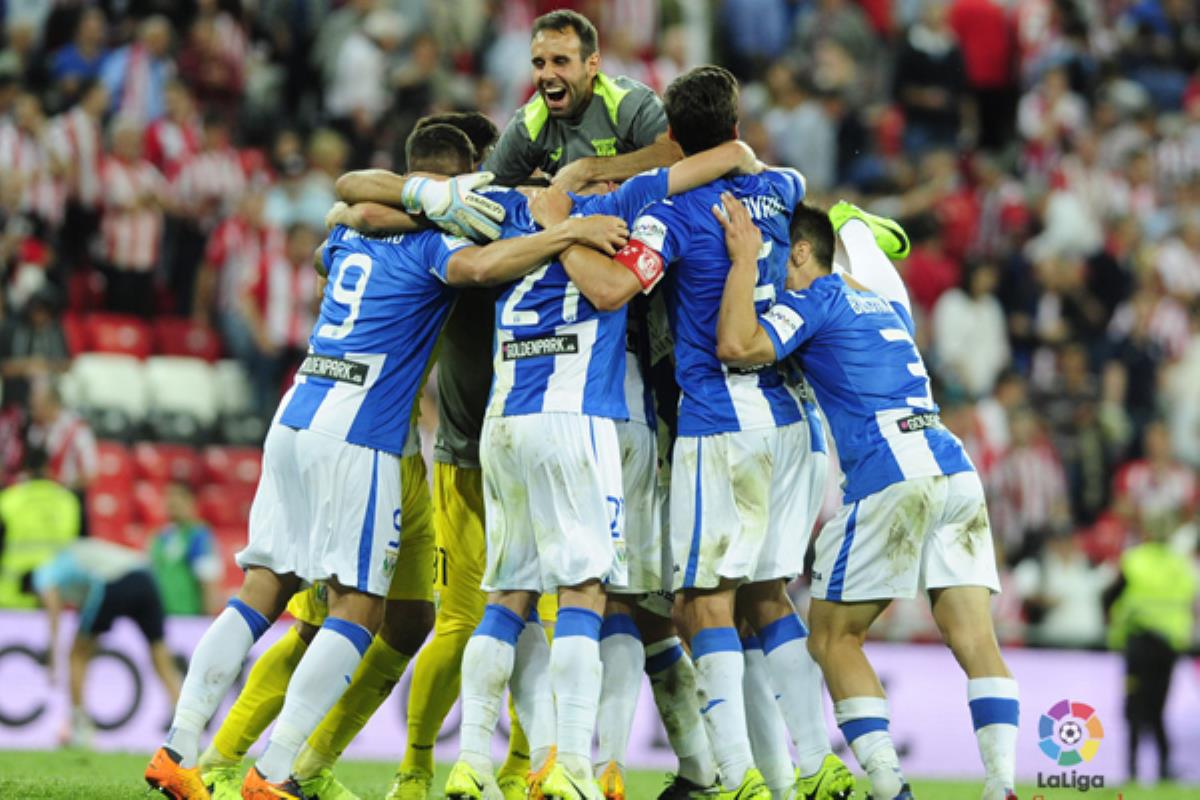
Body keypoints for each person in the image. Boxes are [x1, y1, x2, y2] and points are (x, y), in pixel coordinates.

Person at [144, 124, 626, 800]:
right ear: (462, 178)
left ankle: (179, 745)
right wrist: (562, 234)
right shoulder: (438, 243)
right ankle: (275, 772)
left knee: (264, 586)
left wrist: (385, 204)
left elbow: (348, 213)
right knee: (356, 606)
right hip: (363, 430)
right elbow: (483, 267)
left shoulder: (349, 235)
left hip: (299, 407)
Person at [537, 66, 850, 800]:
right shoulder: (780, 190)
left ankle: (736, 777)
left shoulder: (669, 216)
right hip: (791, 421)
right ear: (738, 125)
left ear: (673, 137)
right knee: (769, 599)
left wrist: (560, 229)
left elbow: (615, 288)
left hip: (723, 421)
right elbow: (761, 167)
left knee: (704, 606)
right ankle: (816, 764)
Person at [711, 196, 1019, 800]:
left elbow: (739, 346)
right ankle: (1001, 784)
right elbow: (868, 256)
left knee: (830, 638)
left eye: (783, 260)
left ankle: (887, 787)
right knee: (976, 639)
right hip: (951, 464)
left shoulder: (817, 296)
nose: (780, 275)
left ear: (804, 253)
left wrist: (743, 262)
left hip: (890, 470)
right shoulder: (885, 300)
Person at [482, 9, 680, 191]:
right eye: (539, 63)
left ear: (592, 65)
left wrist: (588, 169)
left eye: (560, 61)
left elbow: (675, 153)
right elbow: (486, 189)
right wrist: (534, 193)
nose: (547, 74)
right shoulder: (530, 122)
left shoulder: (628, 102)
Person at [26, 536, 181, 749]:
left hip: (116, 581)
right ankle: (183, 724)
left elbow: (54, 611)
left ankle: (80, 727)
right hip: (146, 578)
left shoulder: (42, 574)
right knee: (159, 652)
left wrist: (52, 656)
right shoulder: (71, 563)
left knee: (77, 654)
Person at [1104, 525, 1197, 782]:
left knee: (1134, 707)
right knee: (1158, 708)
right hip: (1168, 648)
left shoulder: (1134, 560)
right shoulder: (1181, 566)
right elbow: (1191, 604)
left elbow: (1110, 595)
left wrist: (1110, 622)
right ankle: (1164, 768)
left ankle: (1132, 770)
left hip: (1138, 644)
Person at [0, 447, 79, 608]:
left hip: (13, 596)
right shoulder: (67, 501)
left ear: (25, 471)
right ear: (49, 469)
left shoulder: (8, 499)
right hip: (56, 595)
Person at [148, 482, 224, 617]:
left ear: (191, 501)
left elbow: (208, 580)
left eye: (179, 496)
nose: (173, 501)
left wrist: (206, 619)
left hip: (188, 617)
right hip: (161, 615)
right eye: (169, 496)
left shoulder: (198, 536)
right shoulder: (160, 537)